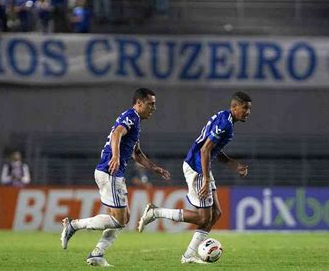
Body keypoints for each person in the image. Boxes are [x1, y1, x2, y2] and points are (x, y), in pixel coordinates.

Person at [137, 91, 252, 264]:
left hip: (202, 166)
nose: (248, 112)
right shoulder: (225, 124)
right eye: (245, 108)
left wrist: (233, 164)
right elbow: (205, 150)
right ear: (234, 107)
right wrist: (205, 179)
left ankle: (188, 256)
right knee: (203, 218)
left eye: (249, 109)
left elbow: (213, 149)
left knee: (216, 214)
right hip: (197, 167)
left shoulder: (225, 119)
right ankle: (155, 212)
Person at [61, 88, 171, 267]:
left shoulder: (136, 122)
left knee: (123, 218)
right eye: (151, 104)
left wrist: (155, 168)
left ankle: (96, 254)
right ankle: (74, 227)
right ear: (139, 103)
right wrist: (116, 156)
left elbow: (137, 154)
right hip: (110, 172)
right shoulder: (131, 116)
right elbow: (117, 133)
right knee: (119, 220)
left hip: (112, 173)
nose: (154, 108)